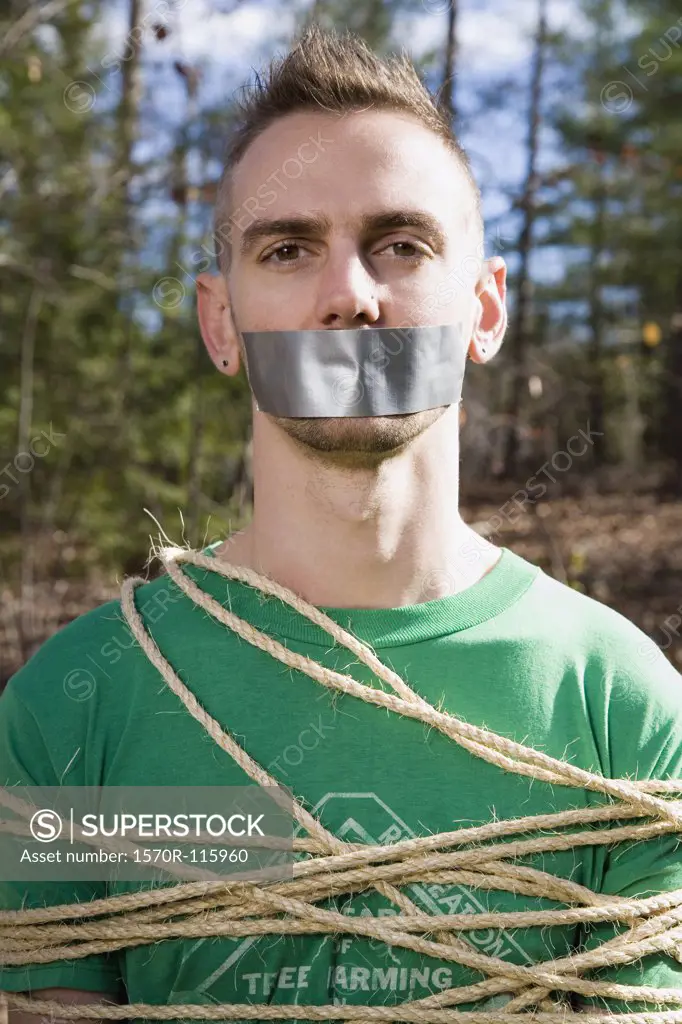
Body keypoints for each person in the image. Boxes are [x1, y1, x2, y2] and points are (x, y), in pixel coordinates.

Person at [1, 22, 681, 1024]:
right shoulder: (69, 713)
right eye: (287, 248)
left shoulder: (623, 706)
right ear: (220, 322)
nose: (349, 298)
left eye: (400, 244)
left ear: (484, 309)